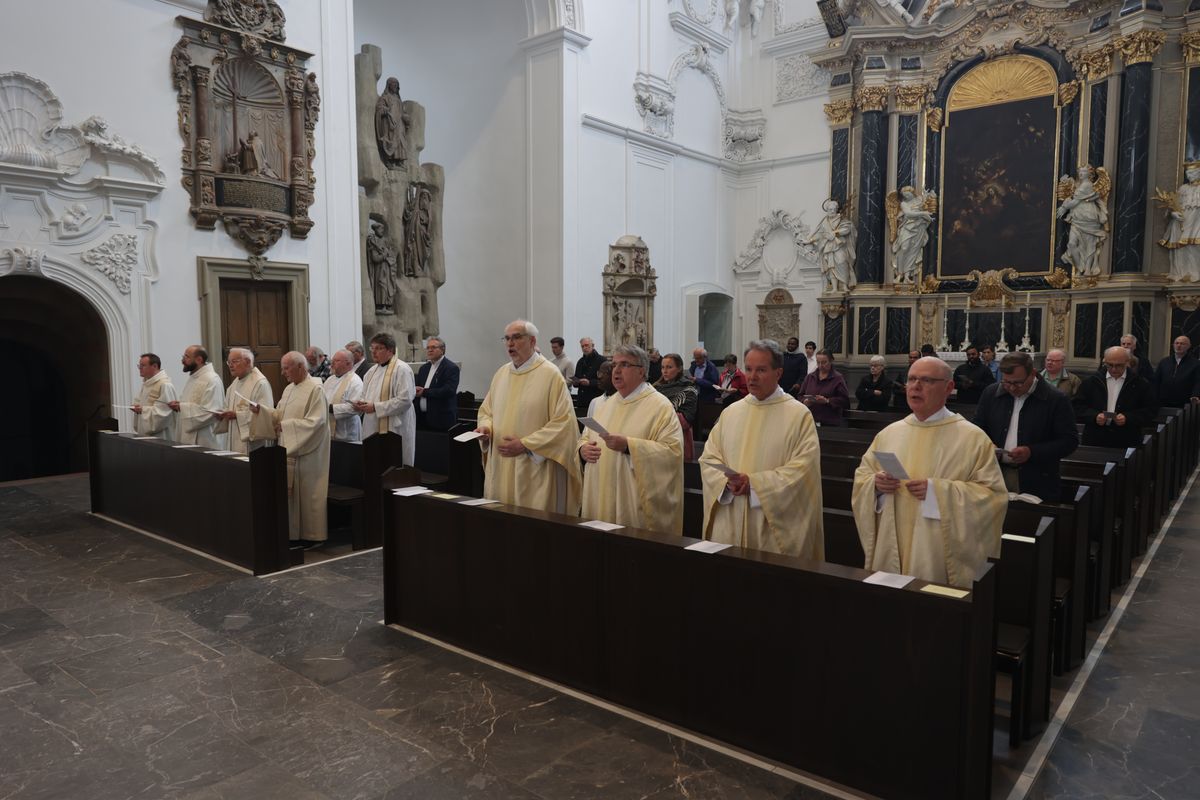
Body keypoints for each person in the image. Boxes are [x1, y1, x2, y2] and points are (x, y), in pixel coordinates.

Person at [851, 356, 1007, 588]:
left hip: (935, 552)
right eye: (912, 379)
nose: (915, 386)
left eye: (926, 380)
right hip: (891, 543)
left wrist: (938, 492)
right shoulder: (889, 433)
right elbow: (863, 477)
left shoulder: (972, 438)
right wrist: (875, 486)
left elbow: (993, 497)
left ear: (949, 388)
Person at [699, 339, 824, 558]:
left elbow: (804, 471)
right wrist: (726, 482)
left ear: (778, 373)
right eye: (748, 369)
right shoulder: (732, 412)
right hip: (731, 516)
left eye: (761, 370)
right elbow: (710, 457)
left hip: (772, 529)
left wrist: (755, 485)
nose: (752, 377)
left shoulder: (798, 415)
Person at [475, 320, 582, 514]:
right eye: (507, 338)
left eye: (516, 338)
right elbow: (487, 411)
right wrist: (486, 428)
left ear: (532, 341)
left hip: (534, 466)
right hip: (502, 463)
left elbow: (563, 423)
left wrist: (526, 444)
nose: (510, 343)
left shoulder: (550, 375)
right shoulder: (501, 374)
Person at [579, 345, 683, 534]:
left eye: (624, 364)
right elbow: (586, 436)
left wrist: (629, 445)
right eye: (614, 364)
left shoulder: (660, 407)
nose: (616, 371)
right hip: (601, 495)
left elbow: (672, 452)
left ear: (641, 371)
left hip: (633, 502)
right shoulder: (605, 405)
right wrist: (583, 449)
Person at [973, 352, 1078, 500]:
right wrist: (988, 445)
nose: (1012, 388)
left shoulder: (1055, 399)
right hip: (993, 474)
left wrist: (1031, 452)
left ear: (1033, 374)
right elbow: (977, 429)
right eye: (1006, 382)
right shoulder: (991, 393)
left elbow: (1069, 441)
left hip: (1036, 479)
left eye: (1018, 383)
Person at [250, 351, 329, 546]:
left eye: (286, 368)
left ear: (301, 367)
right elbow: (280, 415)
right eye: (283, 368)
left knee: (308, 493)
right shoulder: (289, 389)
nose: (283, 373)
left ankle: (312, 536)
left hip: (308, 453)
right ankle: (294, 534)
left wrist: (285, 426)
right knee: (292, 497)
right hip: (290, 448)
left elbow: (316, 422)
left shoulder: (315, 389)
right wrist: (263, 411)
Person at [1076, 345, 1158, 449]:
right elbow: (1077, 407)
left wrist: (1128, 417)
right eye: (1109, 365)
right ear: (1104, 362)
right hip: (1095, 438)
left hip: (1127, 439)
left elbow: (1151, 410)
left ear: (1127, 362)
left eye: (1119, 365)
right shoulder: (1091, 382)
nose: (1114, 369)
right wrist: (1095, 416)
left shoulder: (1140, 384)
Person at [354, 333, 416, 465]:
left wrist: (375, 407)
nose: (374, 352)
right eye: (372, 348)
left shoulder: (402, 369)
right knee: (374, 464)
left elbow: (405, 400)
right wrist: (361, 403)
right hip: (372, 425)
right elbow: (365, 395)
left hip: (394, 426)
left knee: (394, 464)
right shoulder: (371, 372)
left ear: (390, 350)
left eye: (379, 348)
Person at [215, 347, 275, 453]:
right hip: (234, 439)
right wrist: (222, 415)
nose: (230, 366)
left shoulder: (260, 383)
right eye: (228, 362)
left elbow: (265, 415)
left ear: (247, 362)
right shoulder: (234, 385)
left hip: (254, 445)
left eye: (234, 361)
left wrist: (237, 415)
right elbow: (227, 408)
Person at [171, 345, 225, 448]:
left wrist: (181, 407)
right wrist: (180, 405)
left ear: (199, 360)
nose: (182, 360)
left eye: (186, 357)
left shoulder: (212, 379)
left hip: (205, 439)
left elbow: (212, 412)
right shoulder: (193, 378)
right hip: (188, 437)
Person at [414, 336, 460, 431]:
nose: (430, 350)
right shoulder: (424, 368)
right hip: (422, 418)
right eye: (428, 348)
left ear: (442, 350)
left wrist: (424, 392)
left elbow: (448, 390)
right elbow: (418, 387)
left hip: (441, 419)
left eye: (433, 347)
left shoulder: (451, 368)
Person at [131, 353, 178, 440]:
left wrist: (142, 410)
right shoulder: (146, 384)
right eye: (139, 366)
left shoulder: (165, 385)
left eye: (143, 365)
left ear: (155, 366)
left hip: (161, 435)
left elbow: (164, 413)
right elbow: (140, 403)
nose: (140, 368)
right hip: (144, 433)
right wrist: (136, 407)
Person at [798, 350, 850, 426]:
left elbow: (845, 401)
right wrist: (804, 401)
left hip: (830, 422)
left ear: (831, 361)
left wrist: (827, 401)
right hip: (810, 421)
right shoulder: (810, 377)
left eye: (824, 362)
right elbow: (800, 395)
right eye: (818, 362)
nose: (820, 366)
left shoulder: (838, 378)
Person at [322, 349, 363, 442]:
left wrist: (331, 408)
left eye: (336, 361)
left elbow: (355, 408)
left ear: (348, 364)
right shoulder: (329, 380)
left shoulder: (355, 381)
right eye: (332, 361)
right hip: (329, 431)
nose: (331, 364)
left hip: (347, 433)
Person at [1153, 336, 1200, 408]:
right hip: (1163, 401)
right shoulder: (1164, 362)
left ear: (1189, 346)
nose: (1179, 346)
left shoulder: (1195, 364)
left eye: (1182, 344)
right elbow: (1156, 381)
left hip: (1184, 402)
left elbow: (1198, 381)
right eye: (1177, 343)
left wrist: (1195, 395)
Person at [654, 353, 699, 427]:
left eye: (669, 367)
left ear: (679, 368)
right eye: (662, 367)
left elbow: (686, 420)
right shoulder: (656, 387)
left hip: (676, 432)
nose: (665, 371)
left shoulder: (688, 389)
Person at [573, 337, 605, 408]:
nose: (584, 348)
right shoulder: (580, 362)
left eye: (586, 345)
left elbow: (605, 382)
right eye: (582, 346)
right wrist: (575, 382)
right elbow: (576, 377)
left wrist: (590, 382)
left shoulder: (602, 361)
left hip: (596, 400)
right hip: (581, 401)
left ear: (593, 346)